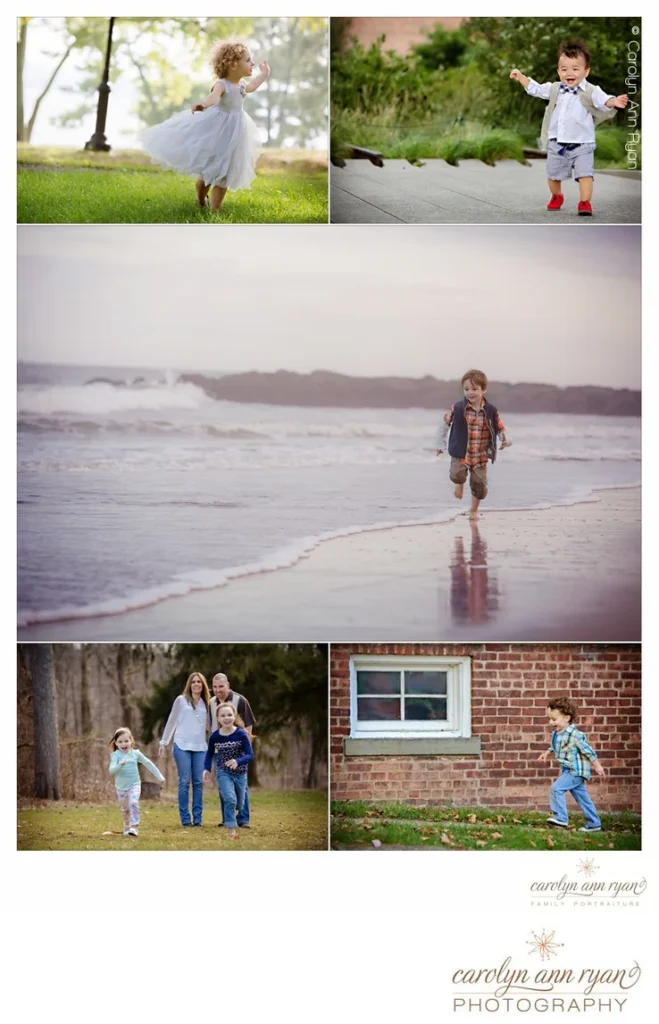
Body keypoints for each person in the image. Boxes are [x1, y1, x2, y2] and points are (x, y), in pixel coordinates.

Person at [142, 40, 270, 212]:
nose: (252, 63)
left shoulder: (241, 85)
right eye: (248, 60)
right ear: (233, 64)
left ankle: (215, 211)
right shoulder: (222, 84)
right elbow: (214, 98)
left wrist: (264, 74)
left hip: (236, 131)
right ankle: (201, 199)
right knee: (207, 175)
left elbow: (253, 86)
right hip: (218, 129)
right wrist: (204, 105)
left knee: (225, 172)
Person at [510, 39, 629, 216]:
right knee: (553, 175)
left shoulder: (590, 90)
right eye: (564, 69)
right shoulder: (555, 89)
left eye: (575, 69)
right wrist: (521, 77)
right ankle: (557, 196)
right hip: (557, 143)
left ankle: (584, 202)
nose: (569, 73)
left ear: (586, 71)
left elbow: (604, 101)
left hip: (583, 144)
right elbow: (535, 89)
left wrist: (615, 101)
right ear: (559, 71)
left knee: (585, 175)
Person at [436, 370, 511, 521]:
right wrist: (440, 444)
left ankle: (474, 509)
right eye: (466, 389)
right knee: (457, 475)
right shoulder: (457, 408)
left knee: (480, 486)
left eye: (474, 389)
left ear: (484, 390)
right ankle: (459, 483)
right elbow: (444, 425)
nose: (470, 392)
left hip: (480, 454)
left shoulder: (491, 411)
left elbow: (500, 428)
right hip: (460, 452)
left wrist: (504, 439)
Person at [538, 695, 605, 833]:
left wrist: (597, 766)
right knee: (583, 798)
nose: (551, 722)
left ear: (567, 718)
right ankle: (594, 823)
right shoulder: (558, 732)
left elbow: (588, 751)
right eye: (549, 719)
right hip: (567, 769)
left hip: (575, 771)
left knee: (556, 789)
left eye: (554, 719)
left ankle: (561, 818)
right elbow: (556, 746)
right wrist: (546, 753)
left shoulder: (575, 735)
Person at [159, 672, 210, 826]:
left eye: (199, 682)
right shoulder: (181, 701)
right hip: (181, 745)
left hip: (200, 747)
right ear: (189, 684)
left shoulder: (206, 703)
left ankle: (198, 819)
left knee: (198, 783)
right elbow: (171, 721)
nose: (196, 684)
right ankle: (185, 819)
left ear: (203, 685)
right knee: (184, 782)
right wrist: (164, 742)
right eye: (193, 681)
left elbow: (210, 727)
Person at [209, 673, 256, 828]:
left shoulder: (240, 700)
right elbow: (211, 726)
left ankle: (243, 819)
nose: (217, 690)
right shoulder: (211, 702)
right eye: (215, 687)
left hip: (239, 750)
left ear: (227, 685)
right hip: (220, 751)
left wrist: (245, 746)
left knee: (242, 786)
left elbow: (248, 724)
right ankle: (227, 819)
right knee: (224, 785)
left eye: (221, 686)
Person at [203, 702, 254, 840]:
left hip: (241, 773)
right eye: (223, 715)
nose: (227, 718)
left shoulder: (241, 734)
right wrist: (206, 769)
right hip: (223, 771)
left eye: (230, 715)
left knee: (240, 803)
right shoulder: (215, 736)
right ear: (218, 719)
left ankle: (237, 813)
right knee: (230, 799)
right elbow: (209, 754)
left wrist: (237, 761)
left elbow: (250, 755)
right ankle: (231, 828)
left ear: (234, 716)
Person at [108, 727, 164, 837]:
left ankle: (134, 828)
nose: (123, 744)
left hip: (134, 784)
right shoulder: (115, 755)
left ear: (131, 741)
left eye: (126, 741)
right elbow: (111, 770)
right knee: (125, 809)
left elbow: (148, 763)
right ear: (116, 743)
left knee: (133, 802)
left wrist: (160, 776)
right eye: (120, 741)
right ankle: (127, 825)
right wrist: (120, 765)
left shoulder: (135, 754)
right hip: (121, 787)